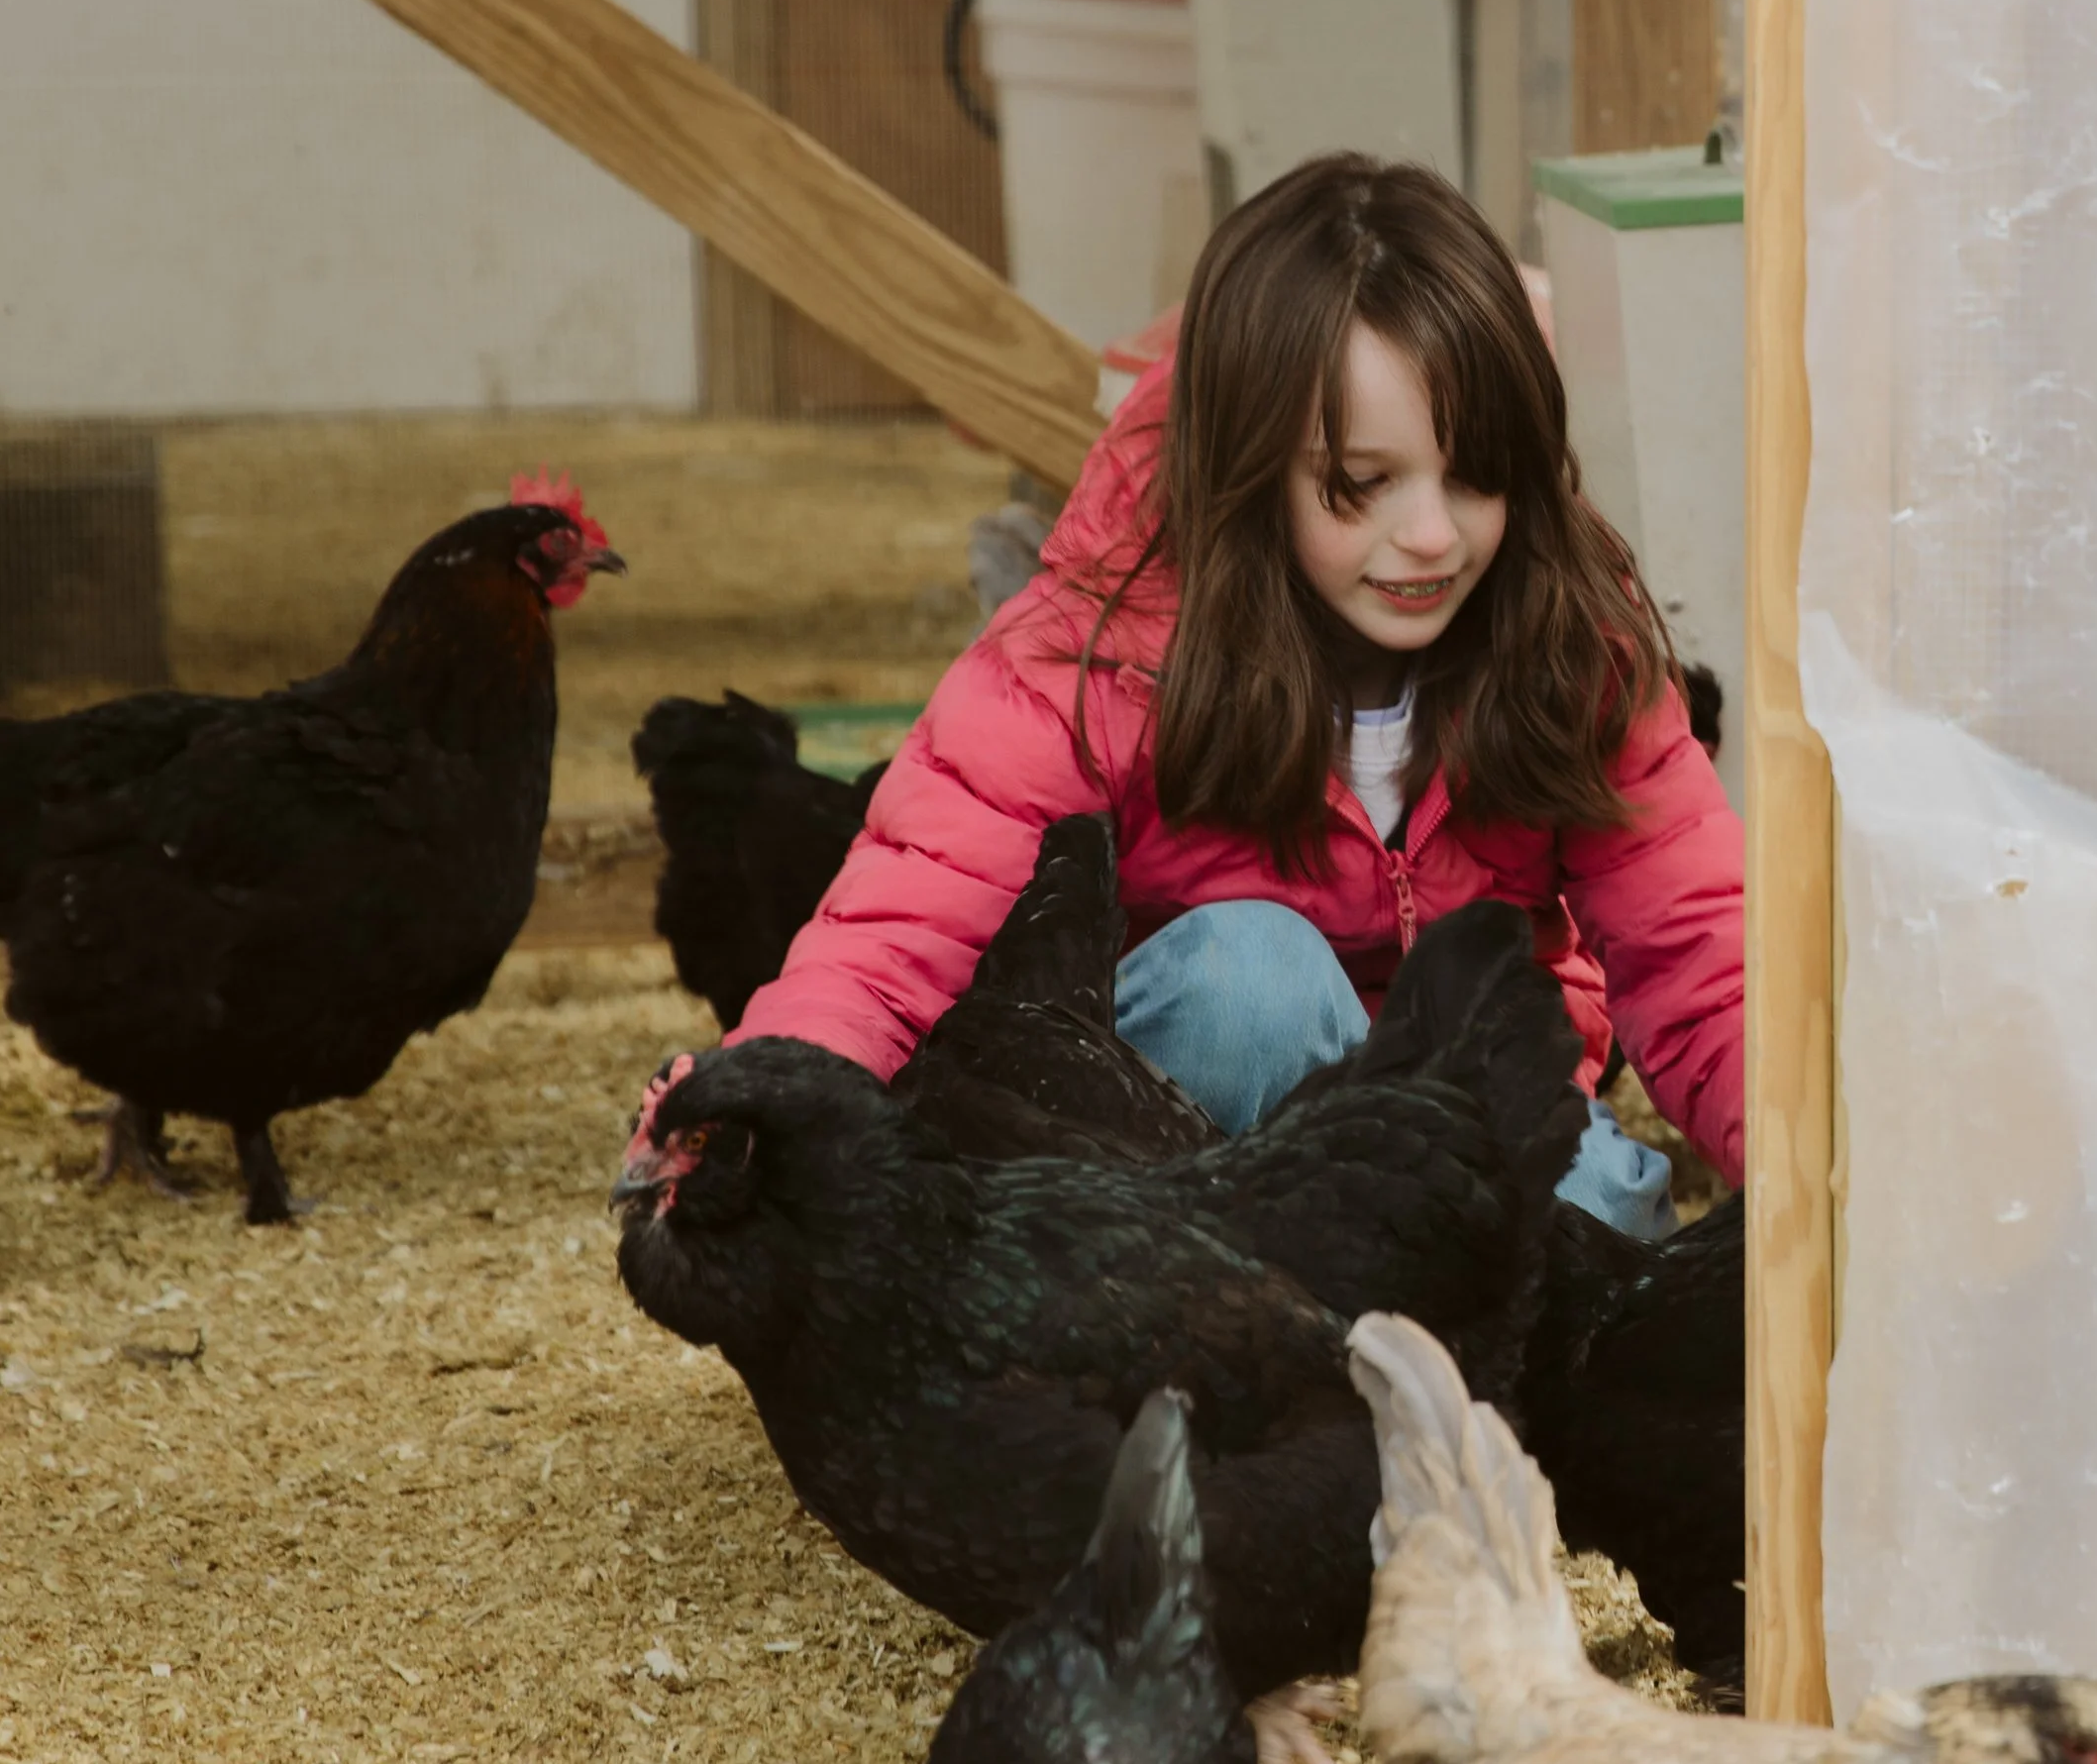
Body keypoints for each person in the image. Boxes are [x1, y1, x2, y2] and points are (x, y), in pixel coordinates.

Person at [736, 154, 1742, 1233]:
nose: (1433, 535)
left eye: (1474, 476)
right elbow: (895, 932)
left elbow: (1702, 959)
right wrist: (748, 1129)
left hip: (1463, 1098)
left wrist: (1836, 1175)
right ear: (1254, 461)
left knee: (1606, 1215)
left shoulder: (1564, 636)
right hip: (1183, 1160)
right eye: (1361, 484)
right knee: (1249, 986)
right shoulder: (1101, 653)